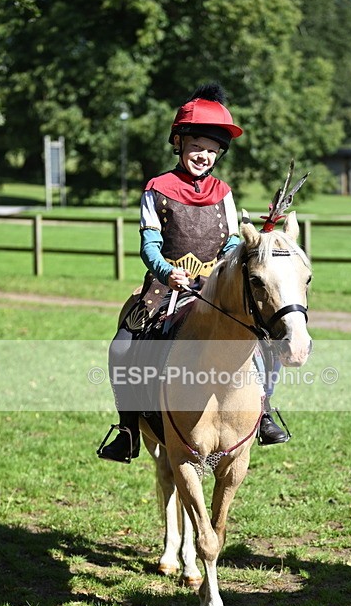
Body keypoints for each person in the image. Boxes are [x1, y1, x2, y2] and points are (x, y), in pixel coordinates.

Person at [98, 83, 288, 463]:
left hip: (215, 288)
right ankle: (128, 429)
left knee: (266, 340)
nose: (204, 156)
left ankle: (263, 410)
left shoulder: (223, 192)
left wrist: (230, 264)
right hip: (165, 286)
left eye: (213, 150)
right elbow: (149, 244)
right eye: (198, 146)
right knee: (121, 347)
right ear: (179, 143)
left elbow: (232, 243)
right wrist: (167, 272)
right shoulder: (157, 189)